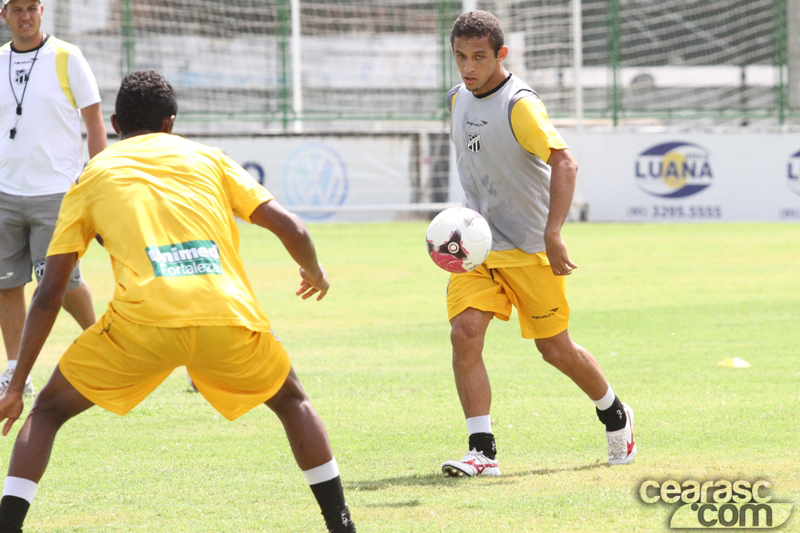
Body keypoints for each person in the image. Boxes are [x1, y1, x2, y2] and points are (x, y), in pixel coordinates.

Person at [0, 70, 356, 533]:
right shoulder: (209, 157)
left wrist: (16, 384)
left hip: (141, 327)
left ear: (113, 123)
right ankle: (341, 523)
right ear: (170, 123)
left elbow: (50, 291)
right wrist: (314, 271)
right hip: (225, 316)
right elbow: (294, 229)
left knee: (46, 411)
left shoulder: (92, 175)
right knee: (292, 401)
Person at [440, 11, 636, 477]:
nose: (469, 67)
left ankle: (614, 413)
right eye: (461, 57)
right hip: (478, 249)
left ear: (501, 55)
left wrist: (553, 233)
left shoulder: (519, 105)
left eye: (480, 57)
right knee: (464, 333)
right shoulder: (455, 99)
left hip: (529, 250)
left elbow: (564, 164)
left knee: (555, 350)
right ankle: (482, 451)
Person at [0, 0, 106, 396]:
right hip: (5, 193)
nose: (25, 16)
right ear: (4, 15)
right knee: (6, 284)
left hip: (57, 194)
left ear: (42, 10)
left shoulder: (68, 56)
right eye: (16, 9)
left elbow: (94, 119)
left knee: (58, 282)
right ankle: (15, 371)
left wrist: (97, 176)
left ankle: (103, 343)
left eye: (31, 7)